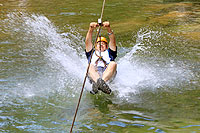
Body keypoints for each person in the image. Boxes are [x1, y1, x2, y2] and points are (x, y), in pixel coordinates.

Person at [85, 21, 117, 95]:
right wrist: (91, 29)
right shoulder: (91, 52)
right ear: (95, 46)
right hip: (94, 73)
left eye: (103, 44)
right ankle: (98, 82)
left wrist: (108, 28)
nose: (101, 44)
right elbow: (87, 42)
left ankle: (101, 83)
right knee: (90, 66)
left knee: (113, 63)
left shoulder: (110, 52)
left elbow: (113, 41)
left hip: (107, 72)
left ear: (106, 46)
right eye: (99, 43)